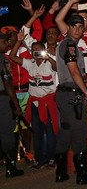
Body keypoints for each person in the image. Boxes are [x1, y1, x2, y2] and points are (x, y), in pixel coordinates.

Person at [52, 11, 87, 185]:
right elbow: (73, 70)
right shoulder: (70, 45)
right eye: (75, 26)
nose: (78, 30)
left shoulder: (67, 44)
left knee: (66, 133)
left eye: (81, 26)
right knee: (80, 133)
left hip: (65, 95)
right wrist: (86, 92)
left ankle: (61, 172)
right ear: (69, 28)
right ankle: (82, 174)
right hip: (72, 95)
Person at [9, 29, 58, 171]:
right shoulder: (29, 63)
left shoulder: (49, 63)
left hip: (48, 102)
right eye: (34, 50)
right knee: (36, 132)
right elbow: (12, 56)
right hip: (35, 103)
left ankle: (51, 158)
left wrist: (47, 57)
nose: (36, 53)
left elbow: (57, 67)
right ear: (31, 52)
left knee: (50, 131)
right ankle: (39, 159)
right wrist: (19, 41)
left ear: (43, 50)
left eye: (39, 50)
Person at [1, 32, 24, 178]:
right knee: (7, 133)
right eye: (4, 41)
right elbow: (7, 82)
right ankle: (10, 167)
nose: (7, 44)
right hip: (2, 99)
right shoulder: (1, 58)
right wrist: (16, 104)